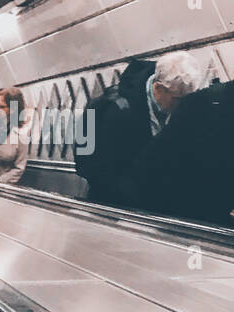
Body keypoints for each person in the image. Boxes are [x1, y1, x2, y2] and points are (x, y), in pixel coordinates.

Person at [75, 51, 203, 207]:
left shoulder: (177, 112)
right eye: (177, 99)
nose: (180, 105)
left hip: (154, 207)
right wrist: (125, 190)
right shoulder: (112, 107)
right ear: (160, 87)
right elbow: (85, 161)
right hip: (113, 206)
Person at [134, 77, 234, 225]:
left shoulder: (203, 103)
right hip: (183, 207)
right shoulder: (202, 105)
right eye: (175, 98)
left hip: (200, 203)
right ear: (159, 88)